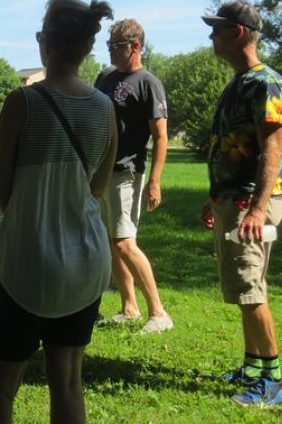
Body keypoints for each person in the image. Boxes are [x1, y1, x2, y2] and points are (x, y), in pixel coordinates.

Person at [0, 0, 117, 424]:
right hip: (86, 263)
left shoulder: (23, 102)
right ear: (86, 49)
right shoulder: (105, 108)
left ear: (46, 43)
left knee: (0, 390)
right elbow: (98, 187)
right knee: (69, 383)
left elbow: (2, 188)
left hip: (29, 263)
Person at [200, 1, 282, 406]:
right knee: (245, 288)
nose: (211, 36)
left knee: (250, 290)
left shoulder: (266, 83)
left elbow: (273, 148)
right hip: (233, 199)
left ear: (238, 32)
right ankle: (254, 367)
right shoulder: (240, 81)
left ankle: (274, 381)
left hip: (250, 204)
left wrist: (255, 209)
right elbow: (230, 147)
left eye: (217, 28)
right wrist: (215, 196)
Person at [95, 19, 173, 333]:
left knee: (125, 242)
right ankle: (129, 307)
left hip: (127, 171)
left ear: (135, 46)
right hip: (100, 170)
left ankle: (159, 313)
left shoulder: (148, 83)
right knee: (110, 242)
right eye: (109, 46)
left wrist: (154, 180)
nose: (110, 52)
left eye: (116, 46)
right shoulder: (104, 78)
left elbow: (161, 136)